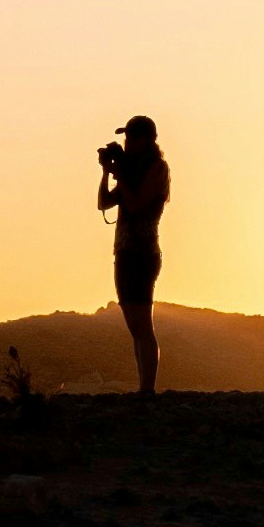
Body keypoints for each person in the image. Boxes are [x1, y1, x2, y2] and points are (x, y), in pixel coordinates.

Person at [96, 114, 171, 398]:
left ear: (146, 140)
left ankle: (147, 389)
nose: (126, 142)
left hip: (142, 252)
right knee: (134, 326)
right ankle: (144, 387)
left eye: (130, 137)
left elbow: (138, 205)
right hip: (125, 252)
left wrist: (122, 173)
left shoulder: (157, 169)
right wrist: (107, 172)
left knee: (143, 325)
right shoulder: (133, 170)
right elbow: (104, 202)